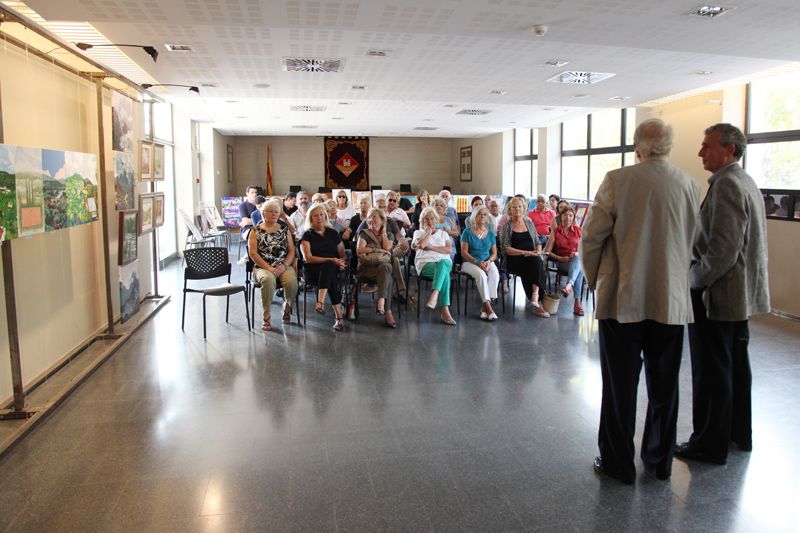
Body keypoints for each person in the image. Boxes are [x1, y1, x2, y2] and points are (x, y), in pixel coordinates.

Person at [580, 118, 699, 484]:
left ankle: (618, 463)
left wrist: (594, 281)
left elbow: (591, 238)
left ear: (636, 148)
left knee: (620, 386)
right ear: (669, 146)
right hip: (670, 300)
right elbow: (694, 240)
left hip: (623, 299)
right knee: (665, 389)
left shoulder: (618, 180)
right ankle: (660, 462)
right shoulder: (689, 184)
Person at [674, 123, 770, 465]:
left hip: (718, 296)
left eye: (707, 146)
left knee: (712, 372)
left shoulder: (727, 185)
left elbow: (723, 250)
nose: (701, 152)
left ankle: (708, 444)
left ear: (729, 150)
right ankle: (737, 433)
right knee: (735, 368)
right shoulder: (745, 181)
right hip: (738, 296)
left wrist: (693, 280)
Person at [248, 199, 298, 331]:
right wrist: (269, 268)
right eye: (270, 211)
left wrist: (284, 266)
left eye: (276, 212)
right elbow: (253, 253)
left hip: (283, 265)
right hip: (262, 266)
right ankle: (266, 316)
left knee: (292, 282)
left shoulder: (284, 230)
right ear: (263, 213)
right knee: (268, 280)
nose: (274, 214)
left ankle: (287, 307)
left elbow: (292, 251)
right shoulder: (255, 231)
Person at [498, 196, 549, 318]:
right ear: (510, 209)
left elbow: (538, 242)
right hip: (513, 260)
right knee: (535, 264)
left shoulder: (529, 223)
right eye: (514, 207)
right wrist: (524, 252)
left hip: (531, 258)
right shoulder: (507, 226)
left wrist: (537, 251)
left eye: (519, 206)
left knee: (534, 262)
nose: (517, 209)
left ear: (524, 208)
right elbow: (506, 248)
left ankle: (535, 298)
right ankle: (537, 301)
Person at [300, 204, 347, 331]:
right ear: (310, 218)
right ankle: (339, 317)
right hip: (312, 270)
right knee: (330, 271)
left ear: (325, 216)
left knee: (329, 268)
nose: (319, 217)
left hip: (333, 268)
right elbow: (308, 258)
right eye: (316, 215)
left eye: (321, 214)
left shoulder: (333, 233)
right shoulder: (307, 235)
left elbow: (342, 254)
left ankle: (320, 303)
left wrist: (341, 263)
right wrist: (331, 259)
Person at [412, 206, 456, 325]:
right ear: (422, 221)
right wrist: (428, 232)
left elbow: (448, 250)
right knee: (445, 275)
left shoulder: (443, 234)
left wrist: (431, 247)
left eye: (432, 218)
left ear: (436, 220)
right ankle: (445, 311)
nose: (430, 221)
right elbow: (422, 245)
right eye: (426, 219)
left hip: (444, 263)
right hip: (426, 264)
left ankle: (435, 294)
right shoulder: (418, 233)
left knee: (443, 263)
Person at [356, 208, 397, 328]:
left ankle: (381, 302)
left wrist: (383, 233)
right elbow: (360, 250)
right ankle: (387, 311)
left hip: (382, 270)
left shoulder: (389, 234)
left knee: (386, 268)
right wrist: (378, 250)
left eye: (374, 217)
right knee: (388, 273)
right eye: (369, 217)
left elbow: (388, 248)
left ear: (382, 220)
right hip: (367, 269)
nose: (371, 219)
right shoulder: (364, 233)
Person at [545, 204, 585, 316]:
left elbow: (586, 250)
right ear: (561, 217)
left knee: (578, 259)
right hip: (562, 263)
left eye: (571, 216)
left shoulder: (579, 231)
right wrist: (560, 258)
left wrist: (577, 253)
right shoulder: (555, 231)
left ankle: (569, 285)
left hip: (576, 262)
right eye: (565, 215)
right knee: (580, 268)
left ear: (573, 218)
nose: (568, 218)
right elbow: (547, 251)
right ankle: (577, 303)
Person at [460, 205, 499, 321]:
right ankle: (489, 309)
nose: (482, 216)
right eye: (480, 214)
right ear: (474, 216)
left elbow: (494, 253)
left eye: (485, 214)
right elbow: (464, 253)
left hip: (487, 261)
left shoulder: (490, 233)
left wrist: (489, 261)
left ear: (487, 217)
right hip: (469, 262)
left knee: (495, 274)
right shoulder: (467, 232)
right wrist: (477, 262)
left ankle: (484, 307)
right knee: (482, 275)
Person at [432, 197, 457, 262]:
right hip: (435, 247)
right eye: (436, 205)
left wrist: (448, 232)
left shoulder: (449, 219)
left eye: (441, 205)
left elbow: (456, 234)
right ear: (432, 208)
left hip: (449, 247)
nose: (439, 207)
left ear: (444, 209)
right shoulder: (430, 220)